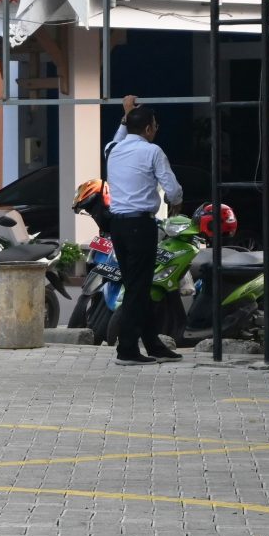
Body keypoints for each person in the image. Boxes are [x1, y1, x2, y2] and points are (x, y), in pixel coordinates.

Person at [106, 95, 183, 366]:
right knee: (138, 289)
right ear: (149, 129)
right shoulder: (153, 151)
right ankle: (126, 349)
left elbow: (119, 135)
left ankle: (153, 344)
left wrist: (126, 113)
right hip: (141, 225)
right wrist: (175, 202)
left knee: (137, 285)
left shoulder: (113, 149)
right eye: (155, 125)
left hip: (117, 225)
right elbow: (171, 188)